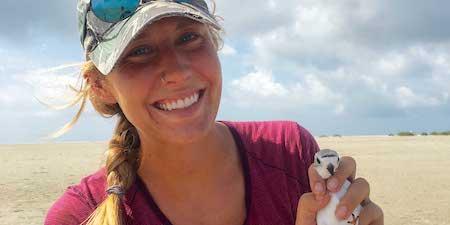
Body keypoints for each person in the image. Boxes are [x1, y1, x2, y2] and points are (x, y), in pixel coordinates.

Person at [45, 0, 383, 225]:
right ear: (101, 85)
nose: (177, 71)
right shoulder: (77, 216)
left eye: (189, 37)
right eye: (140, 51)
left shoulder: (290, 152)